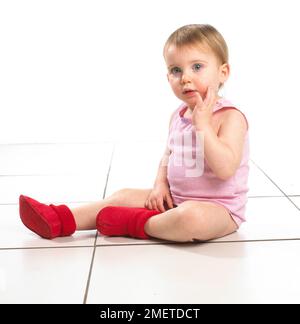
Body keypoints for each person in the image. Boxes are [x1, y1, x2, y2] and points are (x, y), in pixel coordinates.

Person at [19, 24, 249, 242]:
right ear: (167, 77)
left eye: (197, 67)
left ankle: (137, 224)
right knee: (123, 196)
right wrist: (160, 185)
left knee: (191, 218)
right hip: (176, 200)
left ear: (223, 72)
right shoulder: (177, 115)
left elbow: (225, 169)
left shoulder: (230, 117)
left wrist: (203, 126)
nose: (185, 77)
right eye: (176, 70)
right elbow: (168, 157)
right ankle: (60, 219)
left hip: (219, 210)